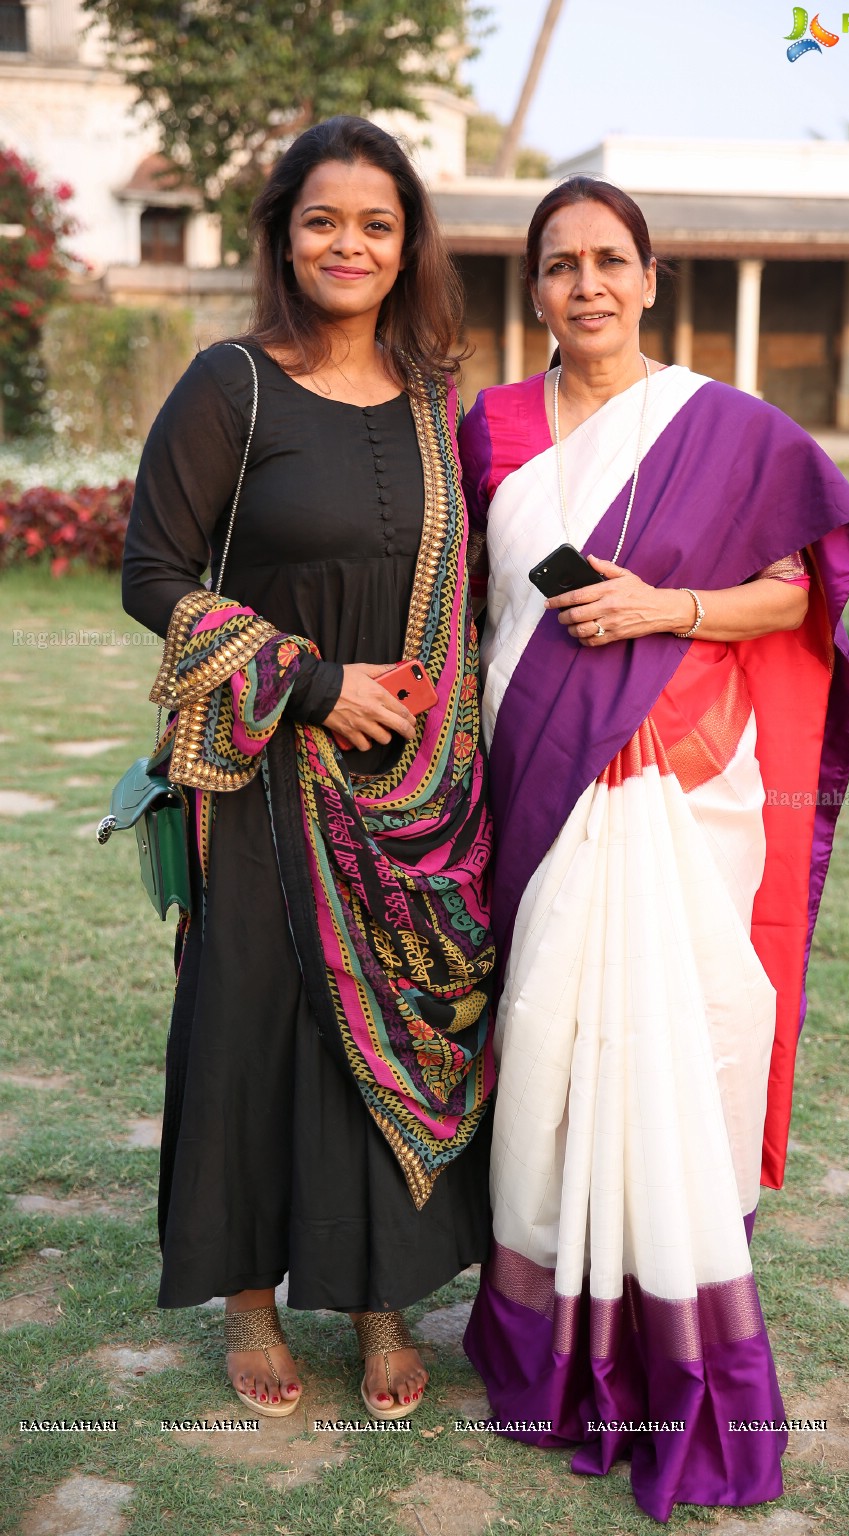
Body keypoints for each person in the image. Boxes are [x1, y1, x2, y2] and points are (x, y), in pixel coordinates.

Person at [459, 177, 849, 1519]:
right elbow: (453, 599)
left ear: (652, 279)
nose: (585, 283)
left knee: (673, 1039)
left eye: (609, 260)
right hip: (539, 781)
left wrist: (663, 606)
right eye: (559, 263)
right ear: (532, 288)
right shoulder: (492, 430)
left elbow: (796, 587)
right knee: (550, 1045)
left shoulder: (720, 428)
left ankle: (671, 1351)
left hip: (679, 780)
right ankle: (546, 1340)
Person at [121, 116, 495, 1422]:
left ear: (408, 245)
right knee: (249, 1027)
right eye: (322, 219)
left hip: (413, 787)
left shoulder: (440, 395)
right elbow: (154, 574)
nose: (349, 243)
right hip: (266, 772)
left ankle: (384, 1300)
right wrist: (314, 685)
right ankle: (247, 1300)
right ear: (283, 234)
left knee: (382, 1030)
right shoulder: (233, 383)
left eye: (376, 224)